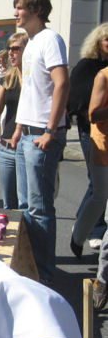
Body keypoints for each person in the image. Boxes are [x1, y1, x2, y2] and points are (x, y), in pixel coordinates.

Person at [12, 0, 69, 283]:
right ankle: (31, 268)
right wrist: (18, 129)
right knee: (26, 207)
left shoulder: (50, 40)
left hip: (42, 136)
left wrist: (50, 130)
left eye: (19, 8)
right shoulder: (31, 43)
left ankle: (45, 276)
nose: (15, 13)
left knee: (40, 208)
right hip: (26, 135)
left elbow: (61, 84)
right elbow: (31, 92)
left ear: (35, 10)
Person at [70, 67, 108, 309]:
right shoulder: (103, 75)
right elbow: (93, 114)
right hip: (104, 148)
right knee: (99, 195)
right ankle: (103, 280)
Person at [68, 23, 108, 251]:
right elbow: (78, 102)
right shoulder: (88, 67)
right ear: (98, 43)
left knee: (100, 187)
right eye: (107, 40)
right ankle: (89, 228)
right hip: (90, 131)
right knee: (97, 185)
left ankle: (87, 225)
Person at [0, 33, 28, 210]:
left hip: (25, 146)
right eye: (9, 48)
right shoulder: (8, 77)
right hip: (6, 146)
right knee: (8, 204)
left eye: (15, 48)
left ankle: (28, 238)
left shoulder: (32, 77)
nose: (10, 53)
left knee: (25, 204)